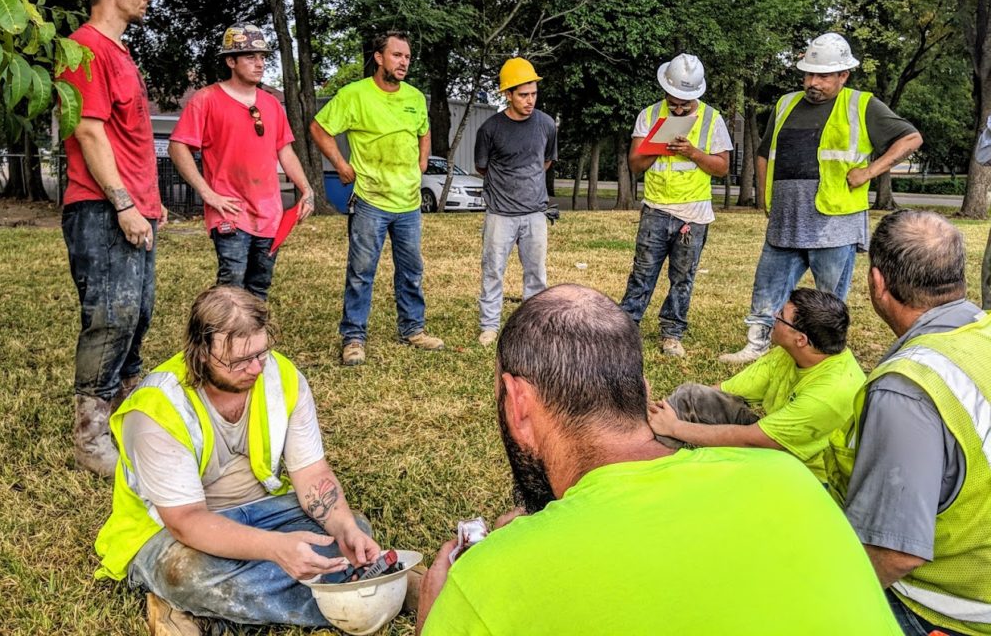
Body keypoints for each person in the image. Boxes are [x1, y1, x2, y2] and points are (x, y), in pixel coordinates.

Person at [416, 284, 900, 636]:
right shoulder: (791, 481)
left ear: (518, 404)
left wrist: (437, 610)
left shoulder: (485, 582)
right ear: (645, 392)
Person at [94, 286, 381, 633]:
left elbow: (312, 473)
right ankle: (362, 590)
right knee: (185, 573)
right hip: (171, 530)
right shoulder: (156, 409)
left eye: (261, 353)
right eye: (239, 361)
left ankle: (204, 612)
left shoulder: (283, 377)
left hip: (264, 510)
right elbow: (186, 521)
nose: (256, 368)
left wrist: (345, 528)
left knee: (352, 532)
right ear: (201, 353)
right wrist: (277, 549)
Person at [825, 210, 991, 636]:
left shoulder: (906, 389)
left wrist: (823, 602)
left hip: (947, 610)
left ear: (877, 283)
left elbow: (894, 553)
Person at [720, 32, 923, 364]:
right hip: (786, 218)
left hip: (834, 221)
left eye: (823, 76)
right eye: (809, 74)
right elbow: (764, 153)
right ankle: (757, 344)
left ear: (844, 75)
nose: (813, 82)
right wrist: (765, 196)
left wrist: (869, 172)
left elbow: (911, 139)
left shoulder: (862, 105)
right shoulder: (785, 104)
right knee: (768, 284)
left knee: (829, 297)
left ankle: (824, 352)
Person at [59, 0, 165, 477]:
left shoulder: (120, 53)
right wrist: (124, 203)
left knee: (137, 315)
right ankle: (91, 436)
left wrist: (146, 204)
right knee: (111, 316)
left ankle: (128, 421)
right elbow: (88, 131)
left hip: (133, 208)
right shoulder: (84, 48)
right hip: (101, 208)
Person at [309, 30, 444, 366]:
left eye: (407, 57)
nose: (404, 62)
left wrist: (422, 161)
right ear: (379, 57)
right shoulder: (355, 95)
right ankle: (354, 337)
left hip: (409, 202)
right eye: (397, 55)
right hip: (370, 200)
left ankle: (413, 329)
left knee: (411, 270)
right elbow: (319, 128)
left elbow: (424, 130)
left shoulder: (414, 97)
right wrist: (340, 164)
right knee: (361, 272)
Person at [648, 287, 865, 481]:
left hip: (803, 476)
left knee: (704, 471)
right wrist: (662, 410)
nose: (774, 316)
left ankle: (650, 470)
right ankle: (646, 456)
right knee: (690, 396)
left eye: (781, 316)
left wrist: (675, 427)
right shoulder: (790, 353)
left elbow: (752, 440)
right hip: (774, 443)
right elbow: (722, 391)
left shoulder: (827, 394)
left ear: (801, 339)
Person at [169, 23, 314, 299]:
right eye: (250, 57)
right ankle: (221, 330)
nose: (259, 64)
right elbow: (178, 147)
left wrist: (306, 189)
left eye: (262, 57)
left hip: (270, 214)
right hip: (230, 210)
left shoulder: (272, 104)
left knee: (259, 286)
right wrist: (207, 193)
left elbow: (285, 151)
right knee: (232, 285)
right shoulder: (206, 99)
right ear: (230, 61)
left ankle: (253, 331)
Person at [620, 53, 732, 357]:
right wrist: (658, 146)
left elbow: (722, 168)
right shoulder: (649, 115)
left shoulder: (712, 119)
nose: (679, 109)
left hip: (694, 215)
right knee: (642, 273)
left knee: (683, 278)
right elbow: (635, 164)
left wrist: (693, 153)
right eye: (674, 103)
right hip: (656, 209)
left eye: (685, 104)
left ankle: (672, 333)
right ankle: (625, 329)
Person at [474, 58, 557, 347]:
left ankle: (533, 327)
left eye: (533, 93)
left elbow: (545, 161)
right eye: (523, 95)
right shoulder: (490, 129)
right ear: (508, 94)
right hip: (500, 213)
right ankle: (489, 326)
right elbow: (482, 167)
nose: (530, 100)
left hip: (535, 213)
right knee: (493, 271)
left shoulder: (546, 124)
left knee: (536, 274)